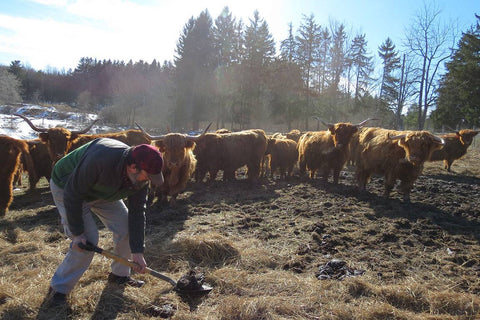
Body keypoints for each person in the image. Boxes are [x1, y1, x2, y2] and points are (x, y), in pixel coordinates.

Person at [47, 137, 164, 306]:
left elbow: (137, 213)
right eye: (147, 176)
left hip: (103, 191)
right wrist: (78, 234)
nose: (149, 181)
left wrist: (137, 251)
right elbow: (73, 194)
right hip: (68, 187)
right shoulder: (100, 159)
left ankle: (119, 276)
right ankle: (58, 290)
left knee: (126, 229)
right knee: (87, 242)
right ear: (133, 168)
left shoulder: (141, 176)